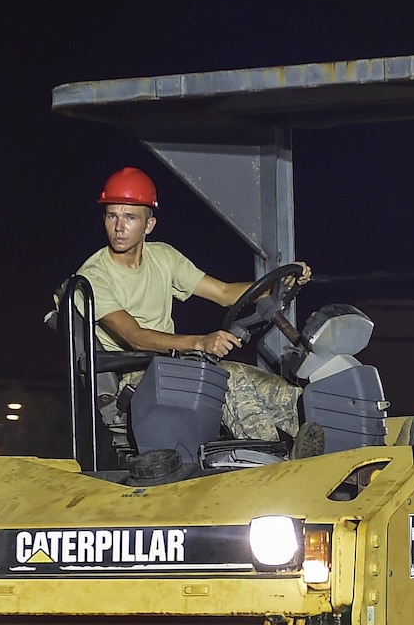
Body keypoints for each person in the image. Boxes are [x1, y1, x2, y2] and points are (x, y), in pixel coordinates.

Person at [77, 166, 304, 445]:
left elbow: (223, 292)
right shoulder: (93, 277)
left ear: (148, 225)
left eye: (130, 217)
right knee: (227, 380)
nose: (119, 227)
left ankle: (324, 448)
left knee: (277, 389)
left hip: (175, 364)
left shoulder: (163, 257)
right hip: (137, 376)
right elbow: (136, 338)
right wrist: (201, 343)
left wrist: (280, 283)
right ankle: (272, 461)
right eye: (112, 215)